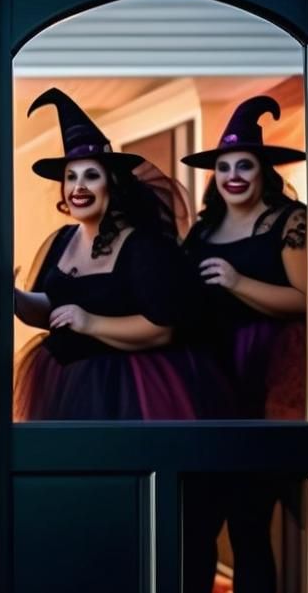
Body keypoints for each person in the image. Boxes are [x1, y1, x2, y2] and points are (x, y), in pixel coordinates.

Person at [178, 95, 307, 593]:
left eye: (245, 165)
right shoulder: (202, 231)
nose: (233, 175)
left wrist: (236, 282)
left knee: (252, 523)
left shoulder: (289, 222)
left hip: (268, 386)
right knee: (197, 525)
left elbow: (307, 301)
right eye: (224, 166)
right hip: (207, 388)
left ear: (264, 172)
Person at [13, 87, 225, 421]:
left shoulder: (143, 247)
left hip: (125, 390)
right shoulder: (62, 240)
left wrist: (91, 322)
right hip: (61, 383)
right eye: (71, 177)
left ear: (111, 184)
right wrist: (15, 298)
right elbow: (53, 311)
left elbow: (162, 327)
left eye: (91, 175)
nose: (79, 186)